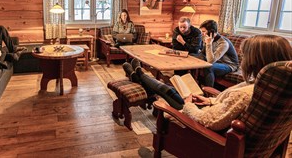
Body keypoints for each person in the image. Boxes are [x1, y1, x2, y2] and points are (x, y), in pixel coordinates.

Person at [124, 35, 292, 131]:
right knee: (169, 88)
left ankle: (138, 74)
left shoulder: (244, 94)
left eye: (246, 56)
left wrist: (189, 105)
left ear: (256, 61)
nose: (243, 60)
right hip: (210, 108)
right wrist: (210, 100)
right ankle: (138, 74)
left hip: (202, 128)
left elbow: (208, 121)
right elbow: (228, 107)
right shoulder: (274, 89)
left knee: (165, 92)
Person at [199, 20, 238, 87]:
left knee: (208, 67)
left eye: (204, 31)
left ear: (211, 32)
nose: (202, 33)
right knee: (194, 58)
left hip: (229, 65)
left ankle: (208, 92)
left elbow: (210, 61)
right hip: (217, 61)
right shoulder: (207, 38)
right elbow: (203, 53)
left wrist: (208, 44)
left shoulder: (223, 43)